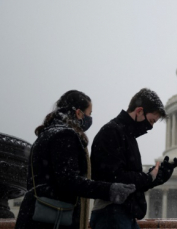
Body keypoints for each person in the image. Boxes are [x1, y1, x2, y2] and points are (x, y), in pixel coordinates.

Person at [15, 90, 136, 229]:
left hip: (35, 215)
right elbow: (69, 182)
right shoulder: (64, 135)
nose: (90, 118)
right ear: (78, 113)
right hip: (51, 220)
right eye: (89, 113)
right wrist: (109, 189)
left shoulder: (46, 134)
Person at [90, 88, 177, 229]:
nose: (150, 127)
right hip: (111, 212)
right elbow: (116, 178)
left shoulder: (127, 136)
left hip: (124, 212)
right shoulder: (112, 132)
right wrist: (148, 178)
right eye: (151, 121)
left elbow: (130, 182)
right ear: (139, 111)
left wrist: (157, 177)